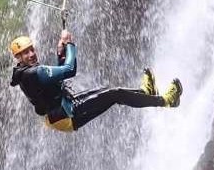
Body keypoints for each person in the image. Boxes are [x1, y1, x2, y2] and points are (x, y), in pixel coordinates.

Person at [9, 30, 183, 132]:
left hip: (63, 108)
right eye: (25, 53)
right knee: (114, 94)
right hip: (65, 116)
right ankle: (166, 100)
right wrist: (69, 44)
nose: (31, 54)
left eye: (31, 49)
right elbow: (70, 69)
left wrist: (61, 53)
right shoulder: (33, 73)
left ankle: (146, 94)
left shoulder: (27, 72)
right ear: (18, 57)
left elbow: (65, 75)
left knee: (112, 92)